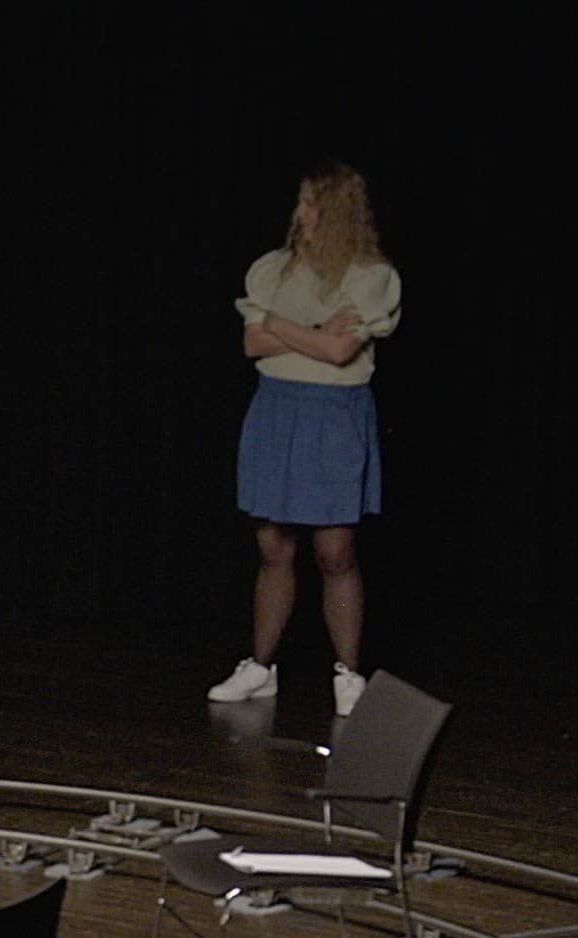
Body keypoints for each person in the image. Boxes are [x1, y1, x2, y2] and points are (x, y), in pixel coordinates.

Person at [207, 162, 401, 720]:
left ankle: (348, 673)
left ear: (338, 210)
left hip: (334, 415)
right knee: (272, 545)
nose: (301, 214)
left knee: (334, 550)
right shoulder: (273, 270)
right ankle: (260, 667)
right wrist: (316, 333)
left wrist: (284, 331)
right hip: (277, 410)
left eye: (312, 204)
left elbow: (342, 355)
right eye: (300, 203)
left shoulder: (369, 276)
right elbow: (251, 343)